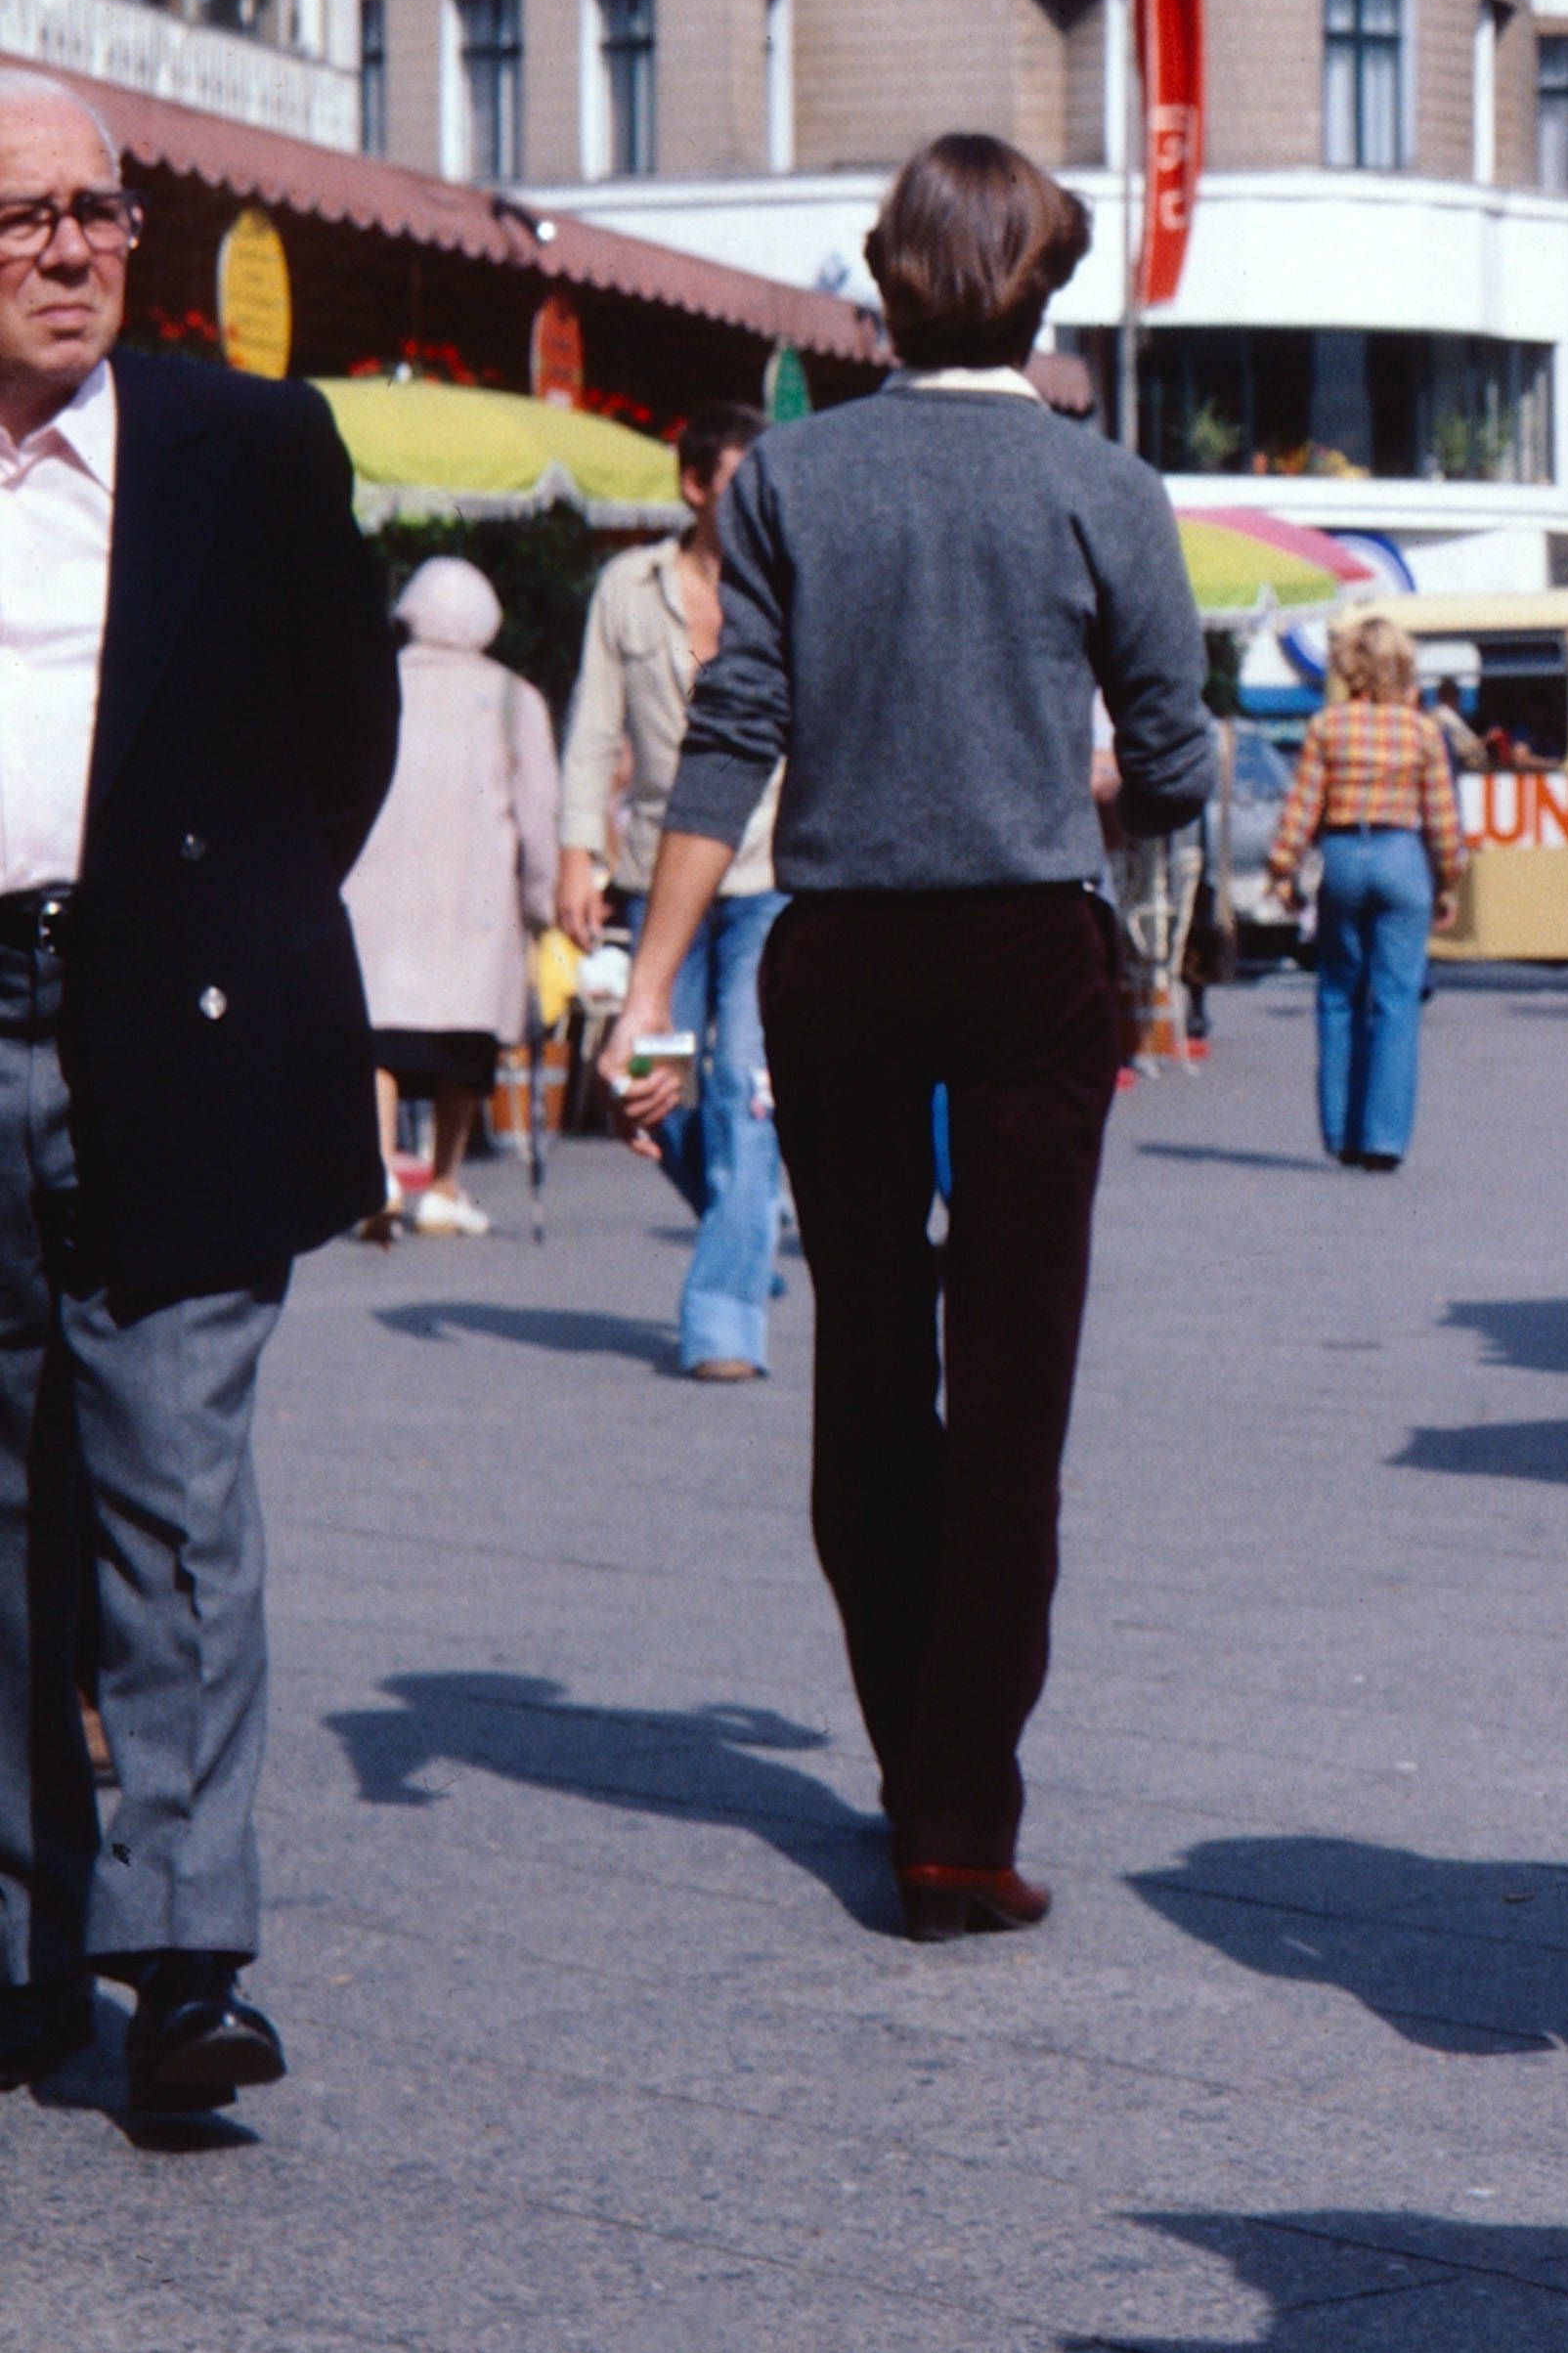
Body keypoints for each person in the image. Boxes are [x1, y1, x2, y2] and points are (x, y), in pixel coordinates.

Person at [611, 135, 1213, 1942]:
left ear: (886, 284)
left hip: (843, 945)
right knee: (1014, 1385)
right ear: (1044, 290)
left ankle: (905, 1758)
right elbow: (1174, 753)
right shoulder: (1104, 486)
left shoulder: (791, 475)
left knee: (871, 1359)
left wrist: (649, 988)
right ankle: (963, 1811)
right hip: (1034, 947)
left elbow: (733, 732)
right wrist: (1085, 787)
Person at [0, 71, 396, 2111]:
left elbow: (346, 740)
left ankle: (177, 1961)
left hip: (174, 1021)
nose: (72, 249)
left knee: (175, 1499)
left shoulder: (245, 444)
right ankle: (13, 1946)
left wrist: (221, 937)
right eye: (23, 219)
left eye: (101, 211)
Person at [560, 403, 785, 1371]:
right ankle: (742, 1221)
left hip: (775, 871)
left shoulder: (788, 587)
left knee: (742, 1079)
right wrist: (578, 852)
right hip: (663, 878)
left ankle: (724, 1319)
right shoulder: (628, 587)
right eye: (739, 489)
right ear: (694, 488)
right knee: (659, 1087)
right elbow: (592, 727)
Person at [341, 560, 557, 1237]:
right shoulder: (514, 697)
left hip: (376, 893)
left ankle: (377, 1168)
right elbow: (540, 812)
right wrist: (543, 899)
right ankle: (443, 1182)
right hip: (476, 901)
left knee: (379, 1036)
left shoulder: (370, 684)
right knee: (467, 1045)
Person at [1265, 609, 1467, 1169]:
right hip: (1403, 858)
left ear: (1349, 667)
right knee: (1397, 1001)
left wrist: (1282, 871)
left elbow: (1302, 807)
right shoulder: (1423, 731)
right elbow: (1443, 820)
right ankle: (1383, 1139)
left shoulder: (1328, 727)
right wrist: (1447, 881)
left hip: (1345, 857)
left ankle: (1341, 1132)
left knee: (1338, 993)